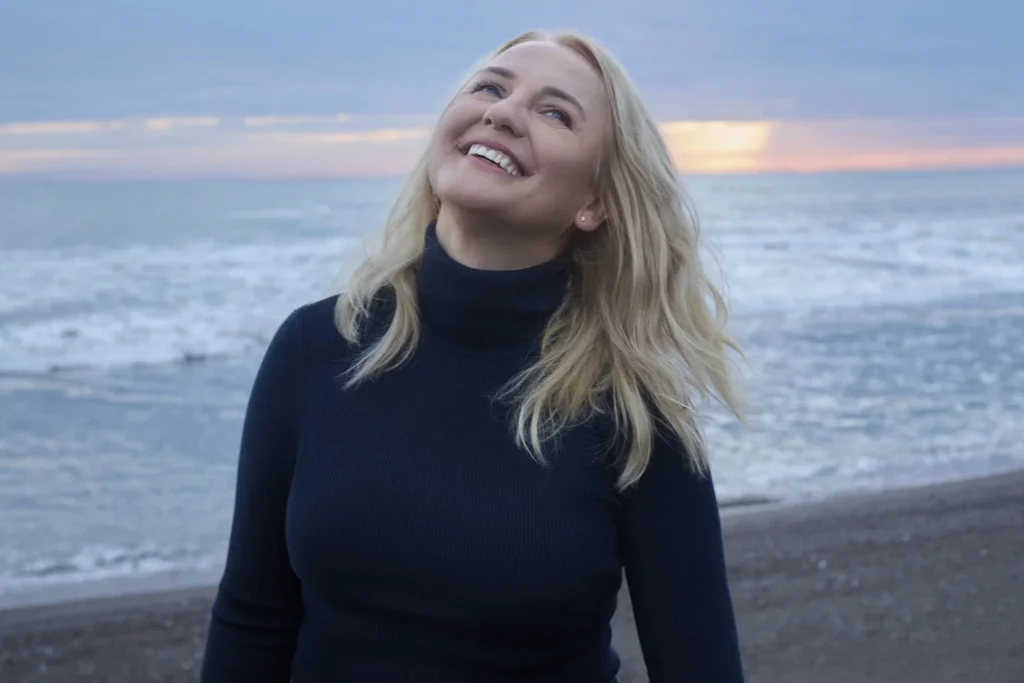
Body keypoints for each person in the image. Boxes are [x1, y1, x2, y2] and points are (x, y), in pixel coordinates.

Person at [200, 28, 747, 683]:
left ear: (595, 202)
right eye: (490, 86)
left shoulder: (635, 411)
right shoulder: (316, 347)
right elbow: (253, 614)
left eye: (554, 113)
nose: (503, 112)